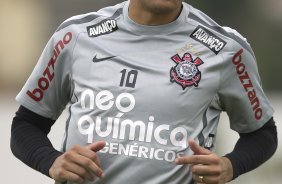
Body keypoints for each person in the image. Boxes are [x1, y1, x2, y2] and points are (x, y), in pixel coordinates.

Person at [11, 0, 278, 183]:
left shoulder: (225, 48)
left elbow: (262, 134)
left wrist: (230, 166)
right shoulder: (75, 36)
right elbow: (25, 125)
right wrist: (52, 162)